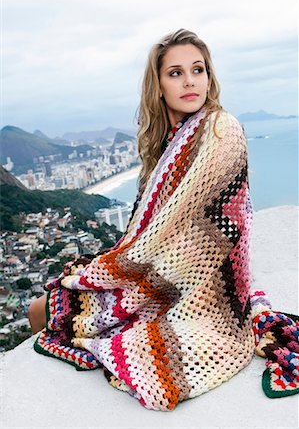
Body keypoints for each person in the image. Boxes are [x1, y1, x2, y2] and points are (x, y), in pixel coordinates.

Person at [29, 28, 299, 410]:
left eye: (198, 70)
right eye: (175, 73)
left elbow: (183, 231)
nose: (190, 81)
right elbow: (154, 227)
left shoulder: (222, 130)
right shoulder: (171, 141)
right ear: (158, 85)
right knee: (50, 307)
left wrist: (112, 272)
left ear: (209, 77)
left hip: (200, 290)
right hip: (163, 273)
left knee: (45, 310)